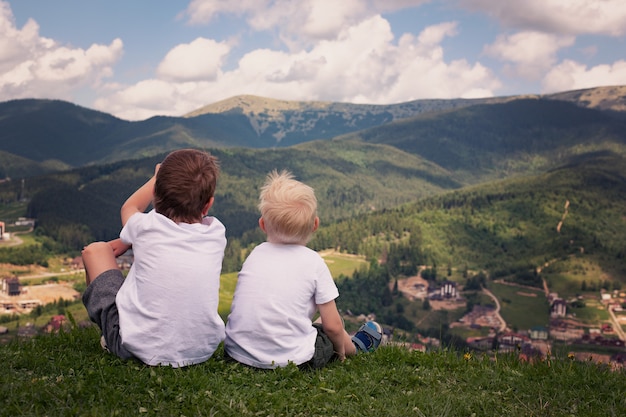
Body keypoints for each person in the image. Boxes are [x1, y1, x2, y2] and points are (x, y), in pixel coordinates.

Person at [81, 149, 227, 368]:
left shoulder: (145, 227)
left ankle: (110, 338)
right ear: (208, 204)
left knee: (94, 251)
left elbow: (130, 208)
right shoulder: (216, 232)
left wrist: (156, 178)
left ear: (156, 196)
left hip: (136, 349)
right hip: (201, 350)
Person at [224, 170, 382, 369]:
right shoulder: (314, 262)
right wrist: (340, 354)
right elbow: (332, 326)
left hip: (237, 355)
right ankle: (356, 348)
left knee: (318, 323)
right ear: (315, 225)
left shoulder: (255, 254)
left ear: (262, 225)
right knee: (332, 325)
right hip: (292, 362)